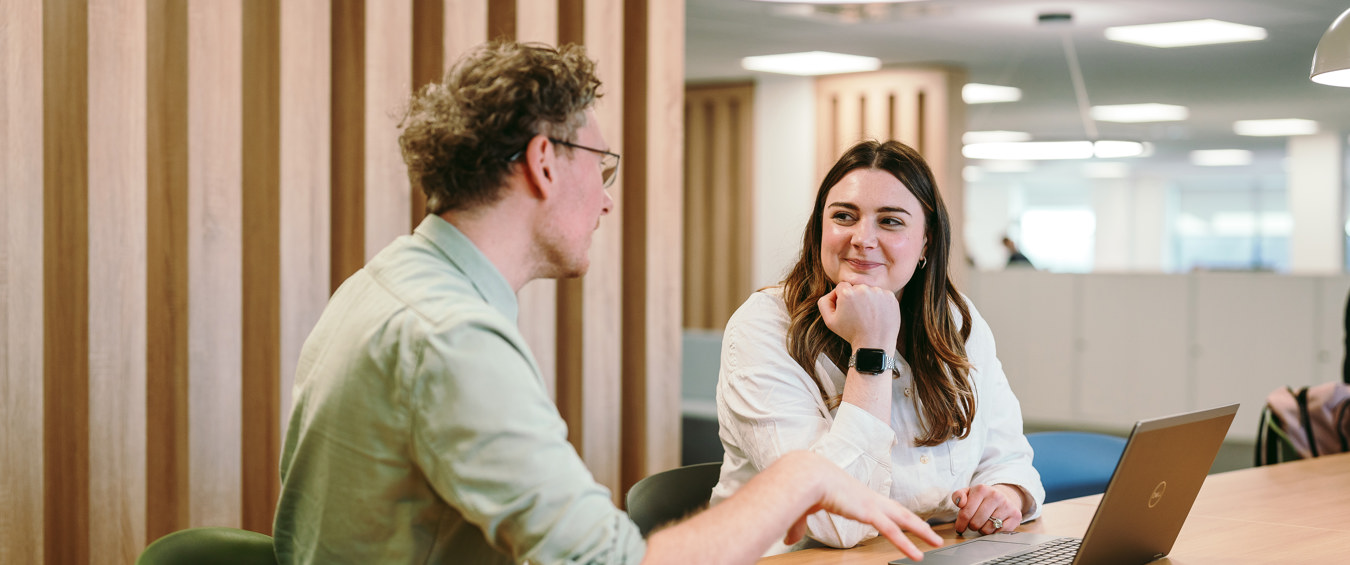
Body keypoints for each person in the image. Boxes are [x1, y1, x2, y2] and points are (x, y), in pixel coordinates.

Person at [271, 42, 941, 565]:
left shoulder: (386, 283)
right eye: (602, 165)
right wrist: (800, 478)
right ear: (544, 162)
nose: (606, 198)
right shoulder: (450, 336)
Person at [710, 140, 1044, 555]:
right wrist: (871, 348)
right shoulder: (763, 328)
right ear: (819, 231)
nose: (862, 238)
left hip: (927, 555)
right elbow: (837, 521)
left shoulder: (956, 322)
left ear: (926, 241)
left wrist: (1005, 496)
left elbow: (1009, 458)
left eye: (890, 221)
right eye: (844, 217)